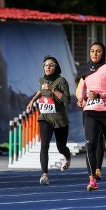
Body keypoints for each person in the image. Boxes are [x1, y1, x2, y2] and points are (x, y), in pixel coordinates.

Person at [77, 42, 106, 191]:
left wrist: (99, 94)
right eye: (92, 51)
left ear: (103, 53)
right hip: (90, 112)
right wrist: (80, 100)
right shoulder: (86, 71)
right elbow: (81, 91)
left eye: (98, 51)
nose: (95, 54)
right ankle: (92, 179)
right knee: (90, 144)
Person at [26, 56, 72, 185]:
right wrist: (32, 100)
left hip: (59, 119)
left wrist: (52, 89)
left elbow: (66, 100)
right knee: (44, 145)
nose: (48, 67)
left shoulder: (61, 81)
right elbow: (41, 90)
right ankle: (44, 174)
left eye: (51, 65)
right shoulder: (42, 80)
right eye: (46, 65)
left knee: (61, 147)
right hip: (45, 117)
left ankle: (68, 157)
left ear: (56, 67)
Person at [76, 77, 105, 180]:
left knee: (99, 138)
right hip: (87, 112)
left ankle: (98, 169)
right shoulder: (84, 77)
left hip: (101, 111)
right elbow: (80, 94)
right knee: (90, 142)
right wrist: (80, 101)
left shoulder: (104, 75)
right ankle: (92, 173)